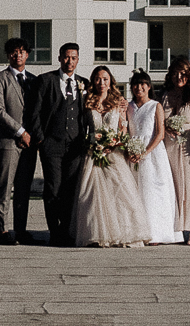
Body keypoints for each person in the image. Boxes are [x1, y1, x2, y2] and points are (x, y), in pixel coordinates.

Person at [72, 67, 149, 247]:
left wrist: (114, 143)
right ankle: (96, 234)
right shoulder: (87, 101)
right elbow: (83, 129)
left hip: (114, 154)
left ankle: (124, 233)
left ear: (110, 81)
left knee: (121, 195)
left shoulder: (119, 102)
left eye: (105, 79)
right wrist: (93, 143)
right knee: (92, 197)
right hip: (94, 153)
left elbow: (123, 129)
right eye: (98, 79)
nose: (101, 83)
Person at [34, 42, 93, 246]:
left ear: (78, 59)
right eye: (66, 57)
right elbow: (35, 113)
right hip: (51, 144)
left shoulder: (84, 83)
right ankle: (54, 231)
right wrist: (41, 138)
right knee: (53, 188)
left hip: (75, 147)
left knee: (70, 189)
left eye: (74, 58)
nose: (70, 61)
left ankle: (67, 230)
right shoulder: (46, 80)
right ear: (59, 58)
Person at [0, 38, 37, 243]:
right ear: (8, 55)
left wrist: (30, 135)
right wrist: (20, 131)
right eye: (14, 52)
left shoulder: (33, 80)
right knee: (4, 187)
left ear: (27, 55)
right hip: (7, 141)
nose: (18, 55)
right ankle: (3, 231)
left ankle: (21, 231)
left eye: (22, 52)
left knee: (24, 189)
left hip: (29, 143)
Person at [128, 71, 184, 243]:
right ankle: (137, 231)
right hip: (133, 153)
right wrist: (132, 151)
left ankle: (156, 233)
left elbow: (160, 134)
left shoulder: (155, 106)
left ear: (149, 86)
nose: (139, 87)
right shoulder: (129, 106)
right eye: (136, 84)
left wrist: (145, 152)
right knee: (135, 193)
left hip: (152, 154)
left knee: (153, 192)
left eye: (143, 83)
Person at [159, 58, 190, 242]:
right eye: (175, 73)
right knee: (173, 186)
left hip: (188, 146)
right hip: (169, 146)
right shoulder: (164, 95)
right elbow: (158, 120)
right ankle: (175, 228)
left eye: (183, 74)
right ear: (170, 75)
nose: (179, 77)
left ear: (189, 75)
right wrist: (167, 127)